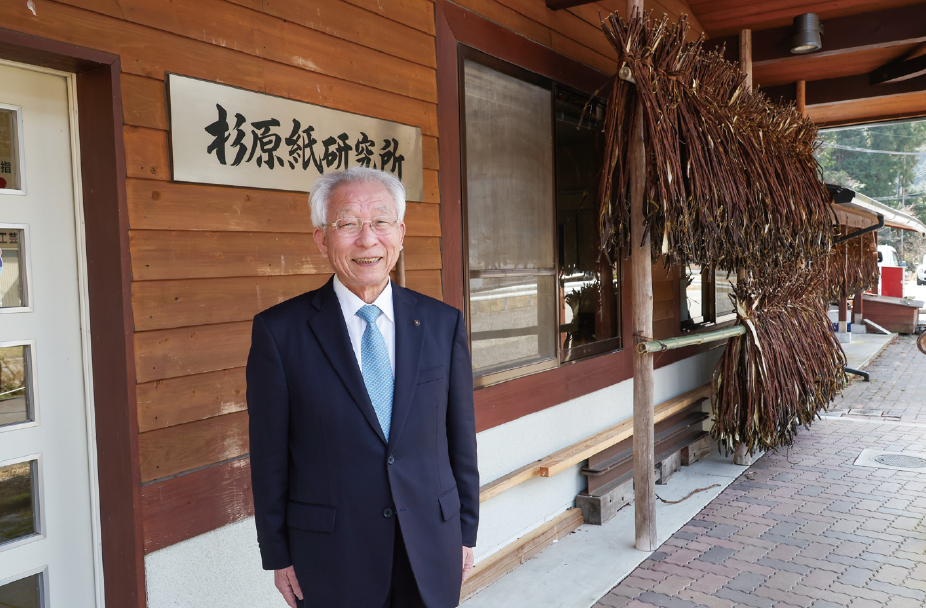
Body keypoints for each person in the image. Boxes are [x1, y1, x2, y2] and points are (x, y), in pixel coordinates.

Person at [247, 167, 479, 608]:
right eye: (348, 223)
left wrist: (465, 529)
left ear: (401, 232)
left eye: (380, 221)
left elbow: (459, 438)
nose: (367, 239)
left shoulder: (441, 323)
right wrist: (277, 554)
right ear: (321, 238)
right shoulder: (280, 333)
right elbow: (269, 456)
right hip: (332, 556)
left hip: (431, 542)